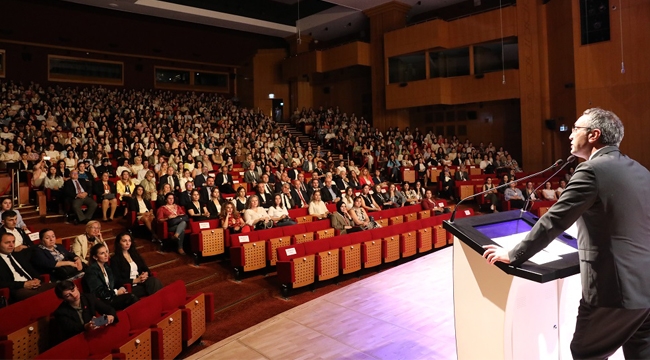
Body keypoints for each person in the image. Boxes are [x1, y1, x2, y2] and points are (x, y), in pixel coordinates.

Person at [483, 108, 650, 359]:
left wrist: (514, 253)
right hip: (645, 286)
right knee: (641, 352)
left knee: (585, 352)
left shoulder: (591, 170)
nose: (570, 134)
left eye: (575, 128)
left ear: (594, 135)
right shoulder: (640, 170)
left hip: (614, 290)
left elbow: (554, 221)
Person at [53, 280, 117, 342]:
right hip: (78, 341)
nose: (74, 295)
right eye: (68, 295)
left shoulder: (89, 298)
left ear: (76, 287)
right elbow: (73, 328)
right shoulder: (61, 312)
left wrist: (111, 316)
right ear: (63, 299)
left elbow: (109, 309)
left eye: (73, 290)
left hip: (92, 335)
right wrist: (86, 326)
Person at [0, 233, 55, 302]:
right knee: (41, 297)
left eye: (13, 242)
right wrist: (23, 284)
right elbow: (2, 283)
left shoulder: (18, 256)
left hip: (34, 284)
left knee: (61, 288)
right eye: (7, 243)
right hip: (17, 289)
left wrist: (36, 279)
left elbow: (31, 270)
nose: (11, 245)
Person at [84, 243, 138, 310]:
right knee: (131, 297)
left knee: (133, 297)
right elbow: (98, 292)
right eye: (102, 253)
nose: (106, 255)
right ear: (95, 257)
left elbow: (116, 281)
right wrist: (116, 292)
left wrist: (121, 287)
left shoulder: (106, 267)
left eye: (106, 251)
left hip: (111, 296)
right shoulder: (91, 271)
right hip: (102, 301)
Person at [110, 232, 163, 298]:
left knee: (154, 281)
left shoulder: (134, 254)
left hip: (141, 282)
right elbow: (117, 280)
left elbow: (145, 268)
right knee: (150, 288)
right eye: (124, 241)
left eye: (129, 241)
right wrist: (135, 280)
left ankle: (160, 303)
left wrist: (145, 274)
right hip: (129, 286)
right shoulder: (115, 259)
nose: (127, 243)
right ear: (119, 243)